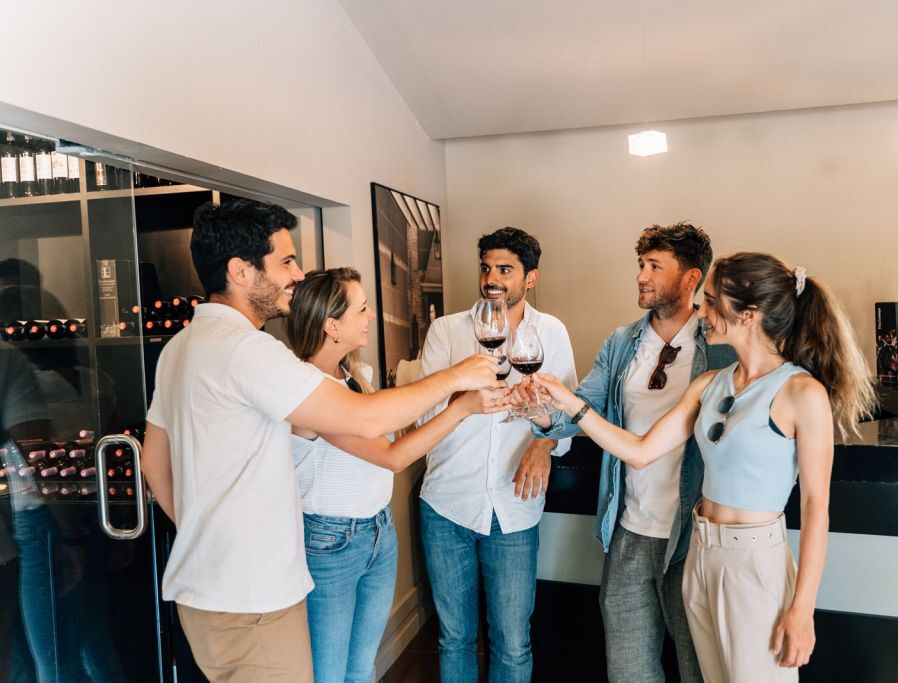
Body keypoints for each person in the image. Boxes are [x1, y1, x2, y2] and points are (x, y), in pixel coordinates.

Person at [140, 199, 499, 682]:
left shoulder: (180, 346)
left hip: (206, 592)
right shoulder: (247, 349)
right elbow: (366, 422)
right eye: (286, 261)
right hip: (254, 599)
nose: (298, 272)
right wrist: (457, 379)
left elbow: (153, 463)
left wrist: (208, 534)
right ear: (240, 271)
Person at [532, 252, 875, 682]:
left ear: (748, 315)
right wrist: (571, 405)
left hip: (755, 562)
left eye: (712, 302)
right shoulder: (710, 383)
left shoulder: (802, 393)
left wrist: (802, 609)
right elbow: (639, 451)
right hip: (699, 556)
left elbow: (816, 508)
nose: (703, 312)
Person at [532, 223, 734, 682]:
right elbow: (581, 410)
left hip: (692, 538)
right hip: (628, 531)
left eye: (654, 267)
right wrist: (542, 418)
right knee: (628, 670)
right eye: (641, 265)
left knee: (699, 668)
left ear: (690, 279)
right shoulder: (622, 342)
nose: (641, 276)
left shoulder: (719, 346)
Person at [285, 267, 508, 682]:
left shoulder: (355, 377)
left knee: (362, 668)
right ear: (332, 325)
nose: (370, 316)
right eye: (362, 309)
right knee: (330, 674)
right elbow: (391, 456)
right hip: (330, 542)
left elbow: (395, 432)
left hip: (377, 530)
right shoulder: (309, 391)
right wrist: (461, 406)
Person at [417, 227, 577, 683]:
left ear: (531, 278)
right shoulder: (447, 331)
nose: (492, 278)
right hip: (446, 503)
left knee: (512, 640)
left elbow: (566, 417)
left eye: (505, 269)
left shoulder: (551, 333)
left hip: (514, 505)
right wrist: (466, 389)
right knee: (454, 637)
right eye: (486, 267)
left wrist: (544, 444)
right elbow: (424, 414)